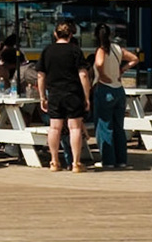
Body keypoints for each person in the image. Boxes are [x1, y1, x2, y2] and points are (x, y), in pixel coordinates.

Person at [36, 19, 91, 174]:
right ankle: (76, 163)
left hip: (54, 93)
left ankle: (54, 161)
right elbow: (84, 74)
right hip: (73, 93)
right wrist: (86, 97)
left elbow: (40, 76)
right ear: (71, 34)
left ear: (55, 34)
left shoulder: (47, 51)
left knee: (54, 128)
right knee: (75, 128)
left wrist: (42, 97)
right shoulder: (75, 50)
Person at [88, 23, 133, 168]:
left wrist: (101, 75)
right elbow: (134, 58)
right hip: (118, 89)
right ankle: (121, 160)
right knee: (119, 127)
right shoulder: (117, 48)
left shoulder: (101, 50)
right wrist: (122, 70)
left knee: (104, 126)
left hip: (105, 89)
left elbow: (99, 63)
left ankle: (108, 160)